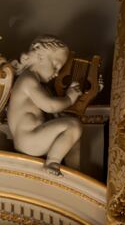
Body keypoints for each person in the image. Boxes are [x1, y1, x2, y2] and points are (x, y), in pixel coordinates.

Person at [6, 36, 82, 175]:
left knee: (74, 139)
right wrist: (69, 99)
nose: (57, 73)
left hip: (32, 139)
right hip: (29, 140)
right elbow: (50, 106)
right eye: (55, 65)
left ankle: (74, 173)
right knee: (74, 125)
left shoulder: (37, 84)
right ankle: (53, 162)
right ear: (40, 57)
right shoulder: (28, 80)